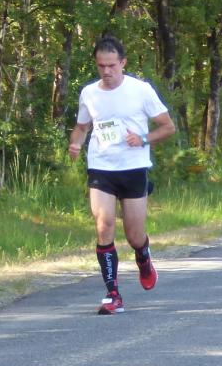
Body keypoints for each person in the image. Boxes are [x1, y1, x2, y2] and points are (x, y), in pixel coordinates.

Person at [68, 36, 176, 314]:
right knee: (104, 226)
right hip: (101, 167)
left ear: (123, 63)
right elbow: (82, 127)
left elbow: (167, 127)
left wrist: (143, 138)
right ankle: (112, 294)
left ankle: (143, 256)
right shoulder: (89, 93)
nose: (106, 71)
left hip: (134, 167)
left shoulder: (141, 90)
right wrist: (76, 144)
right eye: (101, 66)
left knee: (134, 234)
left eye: (112, 65)